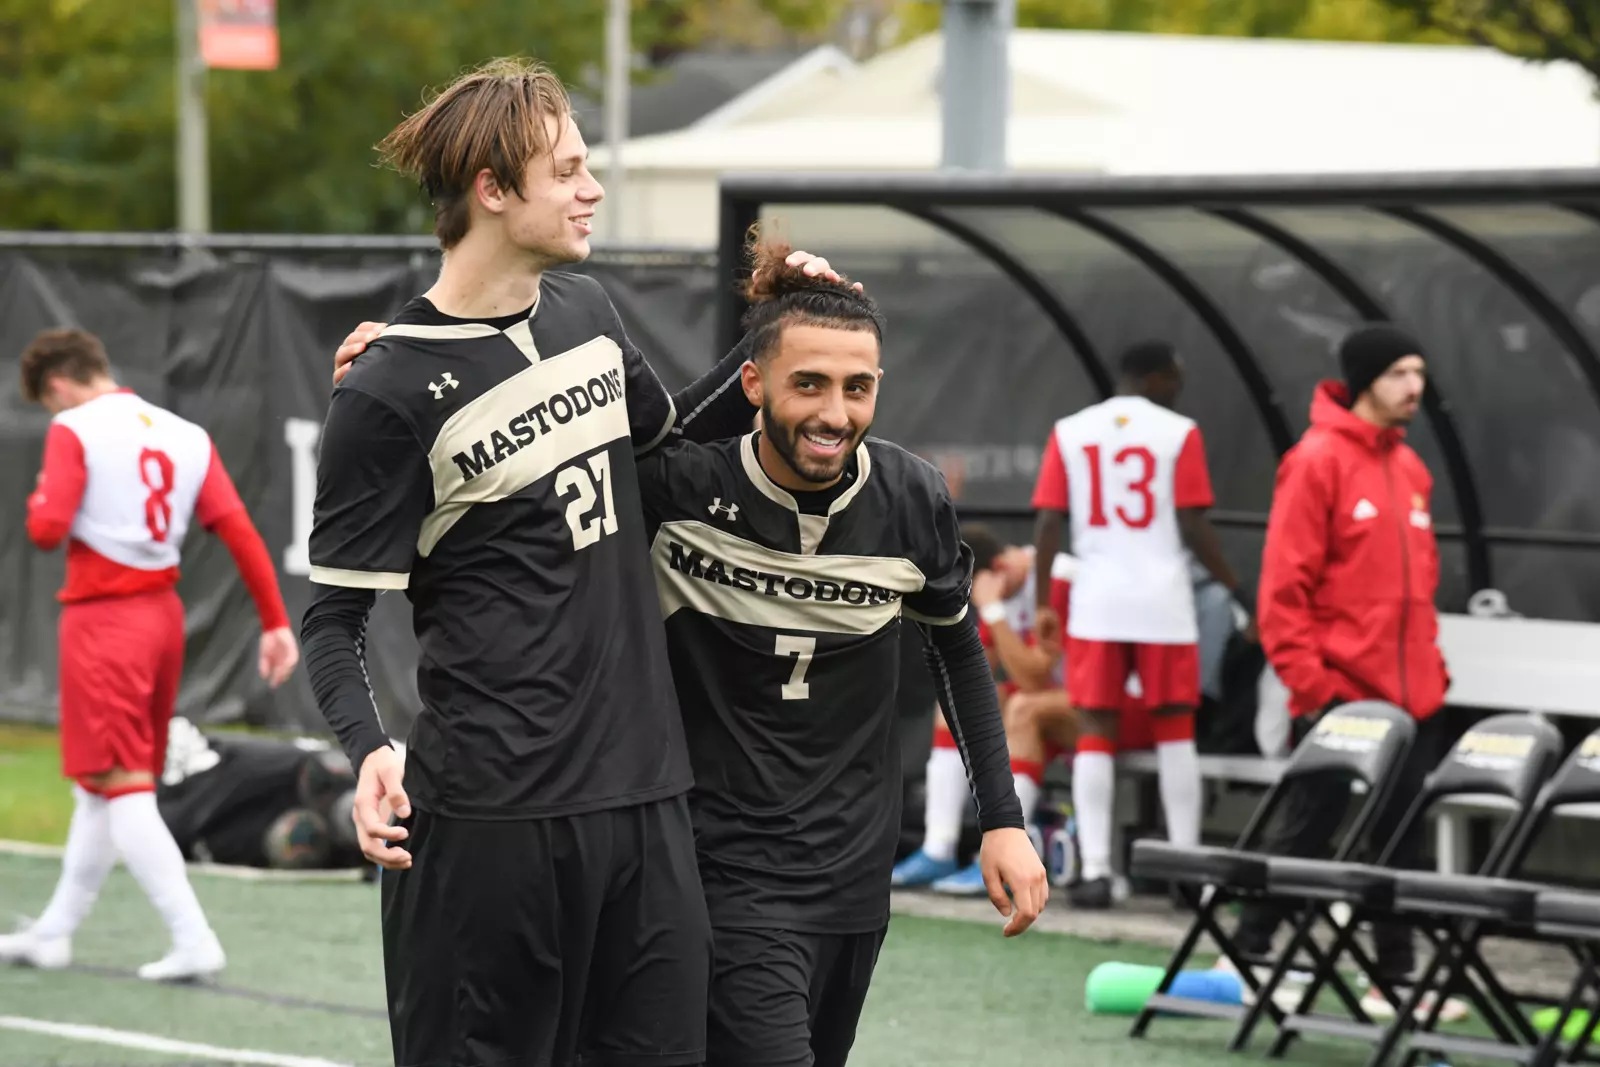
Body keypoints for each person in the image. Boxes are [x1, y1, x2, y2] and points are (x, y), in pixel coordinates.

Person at [299, 58, 850, 1067]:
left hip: (645, 796)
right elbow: (332, 621)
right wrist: (369, 748)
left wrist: (774, 336)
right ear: (491, 190)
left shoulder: (587, 311)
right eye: (567, 171)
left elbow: (666, 449)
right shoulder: (384, 389)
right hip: (491, 822)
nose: (592, 188)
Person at [634, 238, 1046, 1067]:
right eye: (808, 383)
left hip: (855, 873)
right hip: (719, 869)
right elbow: (627, 448)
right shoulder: (680, 489)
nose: (835, 413)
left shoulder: (911, 496)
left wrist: (1002, 819)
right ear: (753, 384)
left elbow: (958, 654)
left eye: (858, 387)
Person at [0, 328, 298, 981]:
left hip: (105, 618)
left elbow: (46, 529)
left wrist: (41, 497)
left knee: (122, 784)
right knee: (100, 787)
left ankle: (194, 937)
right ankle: (54, 931)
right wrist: (275, 621)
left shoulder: (74, 427)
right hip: (160, 617)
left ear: (58, 385)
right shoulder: (184, 433)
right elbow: (239, 529)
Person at [1230, 323, 1458, 1020]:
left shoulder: (1411, 468)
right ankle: (1245, 956)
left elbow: (1420, 586)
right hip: (1340, 695)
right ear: (1365, 381)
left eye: (1419, 374)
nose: (1414, 387)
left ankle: (1394, 978)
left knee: (1400, 837)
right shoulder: (1316, 460)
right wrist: (1315, 687)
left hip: (1413, 698)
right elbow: (1282, 591)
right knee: (1308, 827)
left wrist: (1432, 672)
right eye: (1399, 374)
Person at [1031, 340, 1250, 909]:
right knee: (1176, 730)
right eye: (1175, 377)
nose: (1179, 387)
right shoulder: (1179, 433)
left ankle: (1097, 871)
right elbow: (1193, 523)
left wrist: (1044, 603)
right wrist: (1235, 588)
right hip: (1163, 600)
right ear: (1153, 377)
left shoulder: (1070, 430)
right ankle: (1186, 872)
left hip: (1098, 600)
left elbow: (1049, 524)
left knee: (1094, 731)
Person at [889, 528, 1039, 890]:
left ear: (998, 568)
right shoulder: (995, 588)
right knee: (953, 705)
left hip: (1101, 709)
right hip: (1046, 701)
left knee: (1024, 709)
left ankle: (1008, 858)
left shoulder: (1053, 577)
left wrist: (994, 610)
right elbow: (980, 672)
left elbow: (1034, 678)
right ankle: (938, 849)